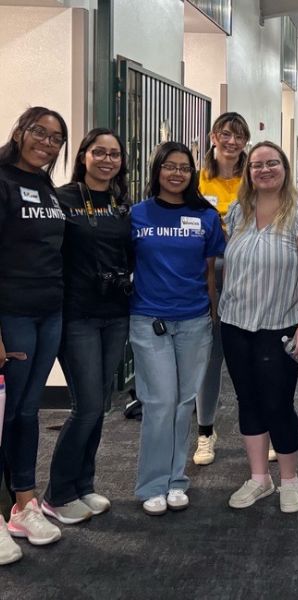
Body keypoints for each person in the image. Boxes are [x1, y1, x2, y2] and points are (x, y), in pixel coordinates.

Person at [220, 141, 298, 513]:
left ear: (284, 168)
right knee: (247, 401)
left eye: (272, 163)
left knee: (277, 404)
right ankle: (259, 478)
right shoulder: (239, 211)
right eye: (257, 165)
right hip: (235, 324)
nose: (264, 170)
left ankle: (290, 479)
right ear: (248, 171)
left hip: (280, 326)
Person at [129, 141, 225, 515]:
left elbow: (210, 270)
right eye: (169, 166)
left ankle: (176, 480)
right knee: (160, 402)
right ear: (157, 170)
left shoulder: (205, 216)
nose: (176, 173)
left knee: (185, 401)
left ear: (193, 173)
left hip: (195, 318)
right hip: (148, 317)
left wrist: (213, 313)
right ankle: (152, 483)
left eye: (184, 167)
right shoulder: (137, 214)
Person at [42, 129, 132, 525]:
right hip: (76, 314)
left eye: (114, 154)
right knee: (87, 405)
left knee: (101, 405)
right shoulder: (61, 199)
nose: (107, 160)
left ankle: (84, 485)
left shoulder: (121, 204)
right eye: (100, 152)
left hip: (116, 313)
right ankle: (57, 494)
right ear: (83, 156)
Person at [0, 106, 68, 562]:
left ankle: (23, 504)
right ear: (20, 132)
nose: (47, 142)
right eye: (39, 132)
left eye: (56, 137)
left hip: (49, 311)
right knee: (5, 416)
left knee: (26, 412)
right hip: (12, 315)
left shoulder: (45, 186)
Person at [193, 112, 250, 467]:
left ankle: (265, 428)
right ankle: (205, 432)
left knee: (252, 359)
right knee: (210, 360)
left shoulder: (252, 178)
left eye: (239, 136)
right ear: (214, 137)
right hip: (207, 278)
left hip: (249, 277)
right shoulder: (197, 180)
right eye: (226, 135)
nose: (232, 142)